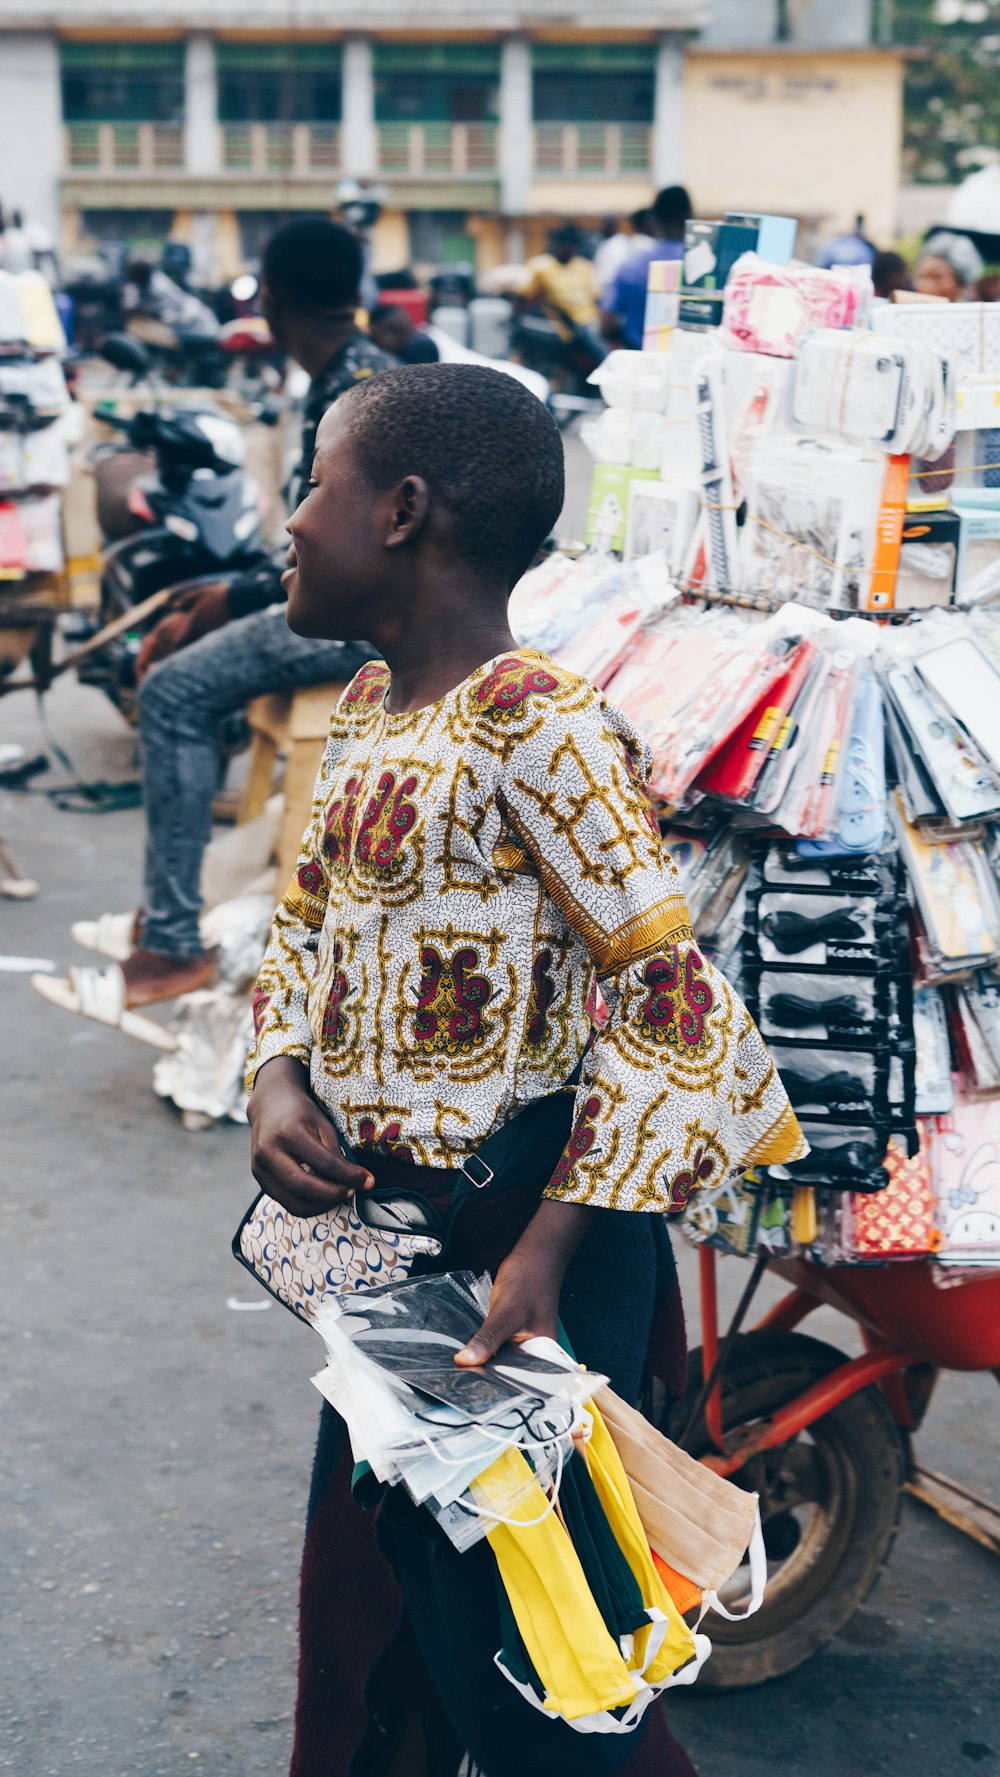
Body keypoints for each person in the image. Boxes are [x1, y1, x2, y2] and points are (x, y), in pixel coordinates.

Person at [246, 361, 806, 1776]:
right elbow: (305, 926)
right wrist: (274, 1080)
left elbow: (670, 998)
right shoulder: (371, 710)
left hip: (524, 1271)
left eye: (315, 480)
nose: (292, 519)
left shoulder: (537, 721)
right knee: (385, 1617)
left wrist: (554, 1243)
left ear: (404, 512)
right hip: (394, 1259)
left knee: (543, 1660)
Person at [39, 219, 394, 1019]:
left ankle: (169, 943)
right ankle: (168, 914)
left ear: (268, 299)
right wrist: (217, 599)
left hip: (362, 622)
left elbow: (334, 563)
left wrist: (224, 604)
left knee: (171, 692)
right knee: (186, 626)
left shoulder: (351, 391)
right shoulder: (362, 371)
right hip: (362, 604)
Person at [602, 185, 692, 350]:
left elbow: (606, 325)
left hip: (642, 362)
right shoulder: (706, 266)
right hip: (692, 366)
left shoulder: (631, 267)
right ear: (690, 216)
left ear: (654, 220)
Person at [523, 225, 605, 363]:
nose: (571, 249)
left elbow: (596, 297)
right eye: (567, 245)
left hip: (592, 322)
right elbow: (527, 296)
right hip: (567, 325)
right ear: (558, 245)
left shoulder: (583, 266)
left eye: (574, 246)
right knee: (599, 349)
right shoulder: (541, 266)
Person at [913, 231, 984, 302]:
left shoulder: (977, 311)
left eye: (936, 277)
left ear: (960, 283)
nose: (924, 285)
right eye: (922, 276)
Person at [593, 211, 653, 295]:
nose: (603, 227)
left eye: (607, 224)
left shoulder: (619, 244)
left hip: (613, 291)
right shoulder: (610, 244)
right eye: (603, 224)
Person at [369, 301, 439, 364]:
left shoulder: (419, 348)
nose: (404, 338)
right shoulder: (367, 356)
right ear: (373, 330)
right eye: (396, 331)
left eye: (408, 331)